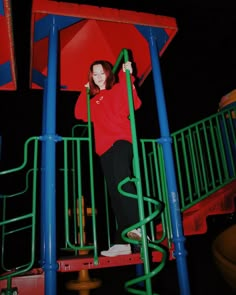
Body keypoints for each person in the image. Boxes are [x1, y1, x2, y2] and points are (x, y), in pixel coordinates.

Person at [74, 60, 143, 257]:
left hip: (122, 141)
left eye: (101, 72)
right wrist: (85, 90)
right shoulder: (93, 101)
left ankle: (139, 227)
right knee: (114, 194)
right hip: (104, 149)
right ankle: (123, 241)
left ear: (108, 73)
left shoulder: (118, 89)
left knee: (123, 181)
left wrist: (127, 75)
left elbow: (134, 102)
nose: (98, 77)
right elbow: (79, 113)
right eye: (94, 74)